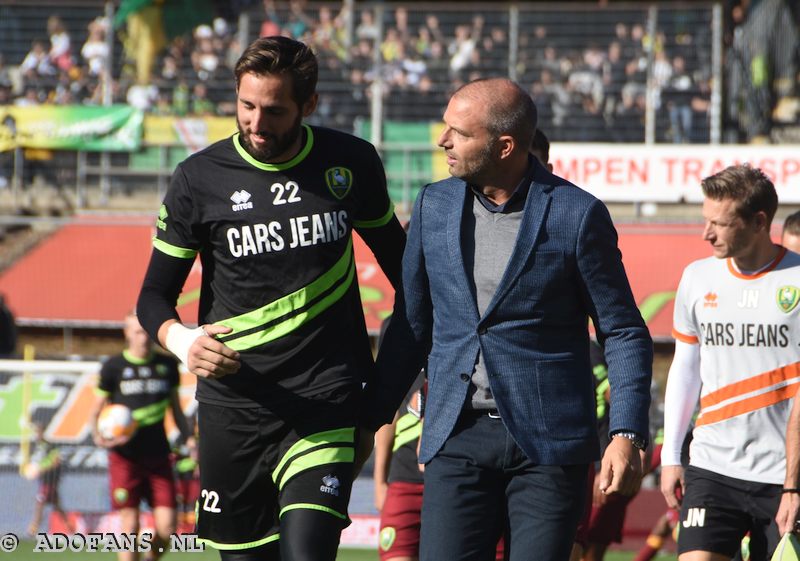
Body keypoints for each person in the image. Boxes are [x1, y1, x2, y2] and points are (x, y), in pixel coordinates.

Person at [135, 35, 405, 560]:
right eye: (246, 106)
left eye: (275, 111)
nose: (257, 124)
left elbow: (411, 282)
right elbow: (152, 298)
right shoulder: (197, 178)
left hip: (324, 402)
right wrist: (181, 339)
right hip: (233, 411)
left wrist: (378, 398)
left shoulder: (349, 163)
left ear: (308, 105)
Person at [361, 77, 653, 561]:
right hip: (455, 435)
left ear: (505, 146)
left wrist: (625, 434)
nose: (443, 141)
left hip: (549, 449)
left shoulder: (577, 215)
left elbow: (622, 331)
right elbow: (411, 325)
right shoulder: (433, 205)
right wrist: (367, 421)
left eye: (459, 132)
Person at [660, 164, 800, 561]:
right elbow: (685, 369)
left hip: (782, 475)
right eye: (706, 221)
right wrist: (672, 456)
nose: (707, 234)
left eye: (719, 224)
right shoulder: (697, 278)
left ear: (759, 222)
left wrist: (794, 484)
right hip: (712, 467)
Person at [91, 312, 193, 561]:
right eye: (136, 332)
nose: (142, 338)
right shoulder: (113, 367)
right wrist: (99, 437)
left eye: (145, 332)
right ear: (126, 333)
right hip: (125, 458)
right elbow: (96, 411)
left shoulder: (167, 366)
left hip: (159, 455)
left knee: (168, 527)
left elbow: (177, 411)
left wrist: (190, 437)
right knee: (130, 523)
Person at [24, 421, 74, 536]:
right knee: (56, 505)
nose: (37, 434)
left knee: (40, 502)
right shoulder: (37, 447)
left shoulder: (50, 446)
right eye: (36, 432)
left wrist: (41, 469)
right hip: (44, 480)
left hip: (50, 480)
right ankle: (69, 527)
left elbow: (56, 461)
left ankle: (33, 528)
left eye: (39, 432)